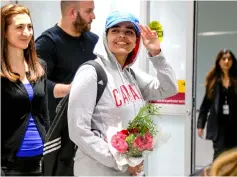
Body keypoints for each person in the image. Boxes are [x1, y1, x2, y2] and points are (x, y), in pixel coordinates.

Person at [67, 11, 178, 176]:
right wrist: (121, 161)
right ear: (105, 37)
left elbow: (168, 88)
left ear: (136, 41)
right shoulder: (91, 73)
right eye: (115, 30)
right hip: (98, 170)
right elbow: (78, 130)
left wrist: (156, 53)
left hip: (129, 170)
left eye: (129, 32)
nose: (122, 35)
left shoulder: (131, 74)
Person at [1, 4, 50, 176]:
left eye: (29, 27)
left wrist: (51, 151)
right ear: (4, 32)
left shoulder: (39, 67)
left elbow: (44, 114)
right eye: (19, 27)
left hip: (41, 162)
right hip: (11, 167)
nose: (27, 33)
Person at [35, 0, 98, 122]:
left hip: (91, 123)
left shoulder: (94, 41)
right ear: (72, 13)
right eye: (89, 11)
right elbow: (36, 84)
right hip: (59, 126)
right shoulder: (47, 43)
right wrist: (70, 90)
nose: (93, 16)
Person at [197, 49, 237, 160]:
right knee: (219, 156)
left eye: (229, 58)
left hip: (234, 125)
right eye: (223, 58)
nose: (226, 61)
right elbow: (205, 105)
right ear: (219, 61)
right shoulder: (213, 81)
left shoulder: (236, 80)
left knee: (233, 158)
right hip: (218, 126)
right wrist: (201, 125)